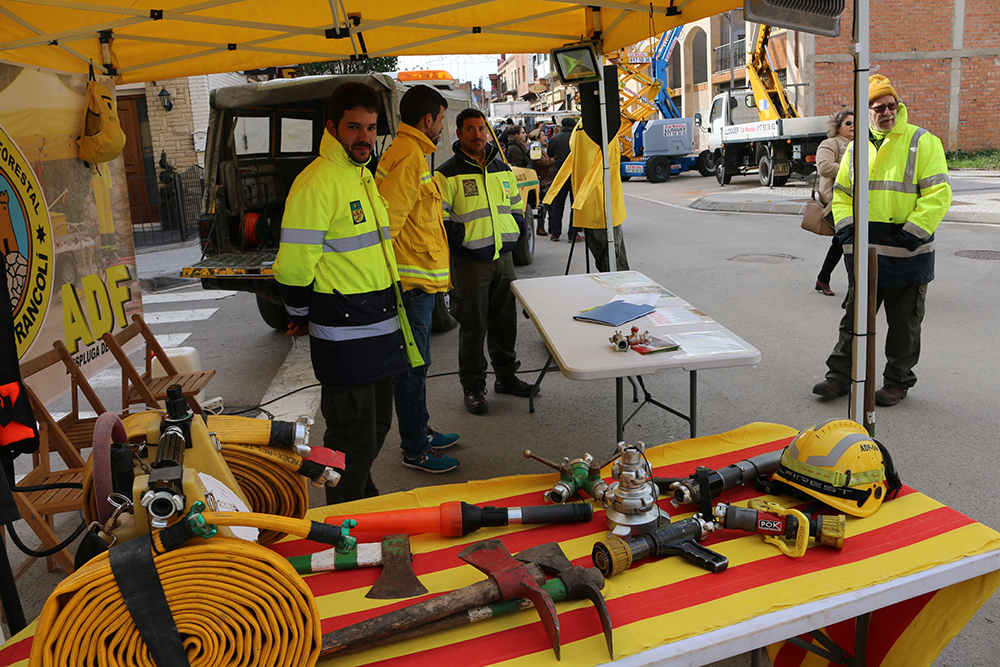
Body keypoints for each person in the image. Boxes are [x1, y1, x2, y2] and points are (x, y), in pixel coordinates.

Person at [273, 82, 423, 504]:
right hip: (346, 335)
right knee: (350, 438)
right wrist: (300, 315)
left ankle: (361, 491)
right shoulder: (317, 183)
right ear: (332, 127)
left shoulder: (360, 175)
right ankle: (344, 519)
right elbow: (294, 267)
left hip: (376, 328)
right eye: (354, 127)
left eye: (372, 128)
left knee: (376, 427)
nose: (365, 137)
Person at [812, 75, 952, 407]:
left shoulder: (922, 141)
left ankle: (897, 382)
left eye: (892, 105)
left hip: (909, 250)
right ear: (867, 112)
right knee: (855, 319)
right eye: (879, 107)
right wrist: (845, 227)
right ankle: (839, 376)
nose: (887, 111)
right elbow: (843, 194)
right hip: (866, 253)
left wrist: (913, 232)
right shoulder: (856, 148)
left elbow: (938, 193)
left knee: (904, 324)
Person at [374, 84, 459, 474]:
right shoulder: (409, 156)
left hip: (416, 283)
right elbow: (387, 227)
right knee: (413, 368)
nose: (442, 127)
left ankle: (420, 432)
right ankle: (415, 450)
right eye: (442, 119)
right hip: (410, 286)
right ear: (428, 119)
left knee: (418, 366)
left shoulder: (411, 153)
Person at [435, 108, 535, 415]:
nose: (477, 135)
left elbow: (517, 205)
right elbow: (438, 218)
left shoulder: (502, 169)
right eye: (470, 129)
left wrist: (514, 231)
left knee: (505, 322)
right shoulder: (447, 173)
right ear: (459, 133)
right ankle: (473, 387)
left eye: (481, 129)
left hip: (503, 259)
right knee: (473, 325)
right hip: (470, 263)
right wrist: (464, 238)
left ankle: (506, 376)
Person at [545, 119, 629, 271]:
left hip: (587, 207)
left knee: (603, 259)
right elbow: (599, 165)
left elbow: (572, 160)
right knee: (615, 263)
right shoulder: (605, 126)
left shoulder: (580, 129)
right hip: (604, 206)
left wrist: (576, 197)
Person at [814, 109, 854, 297]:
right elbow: (824, 167)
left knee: (841, 241)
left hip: (855, 200)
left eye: (855, 123)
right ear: (838, 127)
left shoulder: (861, 144)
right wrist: (854, 170)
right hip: (836, 200)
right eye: (848, 123)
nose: (853, 126)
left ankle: (823, 278)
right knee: (848, 241)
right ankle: (856, 285)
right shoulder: (831, 143)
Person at [545, 117, 578, 242]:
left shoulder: (555, 138)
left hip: (559, 175)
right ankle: (573, 234)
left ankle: (555, 233)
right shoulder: (577, 138)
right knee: (574, 205)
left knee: (558, 205)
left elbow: (550, 153)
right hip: (575, 175)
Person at [528, 128, 555, 236]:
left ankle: (550, 226)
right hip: (542, 179)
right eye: (543, 135)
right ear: (537, 137)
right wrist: (554, 159)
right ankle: (540, 226)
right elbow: (541, 161)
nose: (545, 137)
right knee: (543, 205)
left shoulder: (544, 147)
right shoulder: (535, 147)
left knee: (550, 205)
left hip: (547, 178)